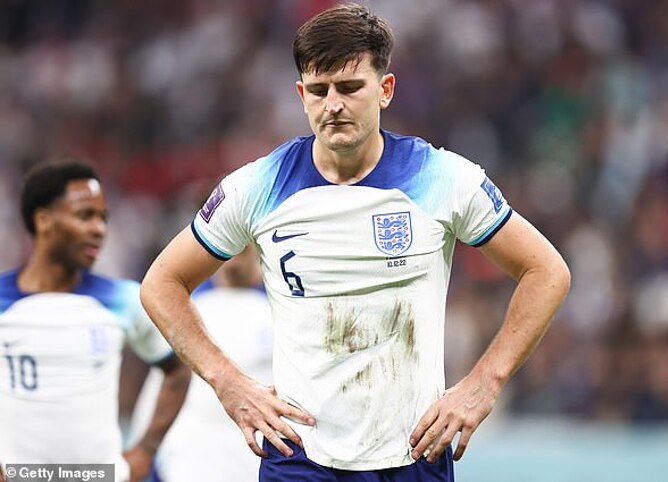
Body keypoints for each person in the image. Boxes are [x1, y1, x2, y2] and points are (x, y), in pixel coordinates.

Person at [140, 3, 571, 481]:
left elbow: (546, 271)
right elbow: (161, 283)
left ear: (385, 89)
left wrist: (484, 384)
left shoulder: (442, 178)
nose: (333, 105)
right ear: (301, 95)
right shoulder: (258, 187)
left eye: (349, 88)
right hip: (299, 456)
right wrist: (227, 382)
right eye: (319, 91)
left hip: (414, 452)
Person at [0, 158, 190, 482]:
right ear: (43, 220)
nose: (99, 229)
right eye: (84, 215)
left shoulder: (125, 300)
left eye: (103, 218)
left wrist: (145, 450)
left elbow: (178, 369)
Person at [130, 243, 272, 482]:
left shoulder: (282, 311)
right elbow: (162, 383)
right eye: (228, 249)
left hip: (256, 457)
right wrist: (145, 451)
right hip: (190, 459)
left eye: (242, 251)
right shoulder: (185, 308)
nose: (233, 260)